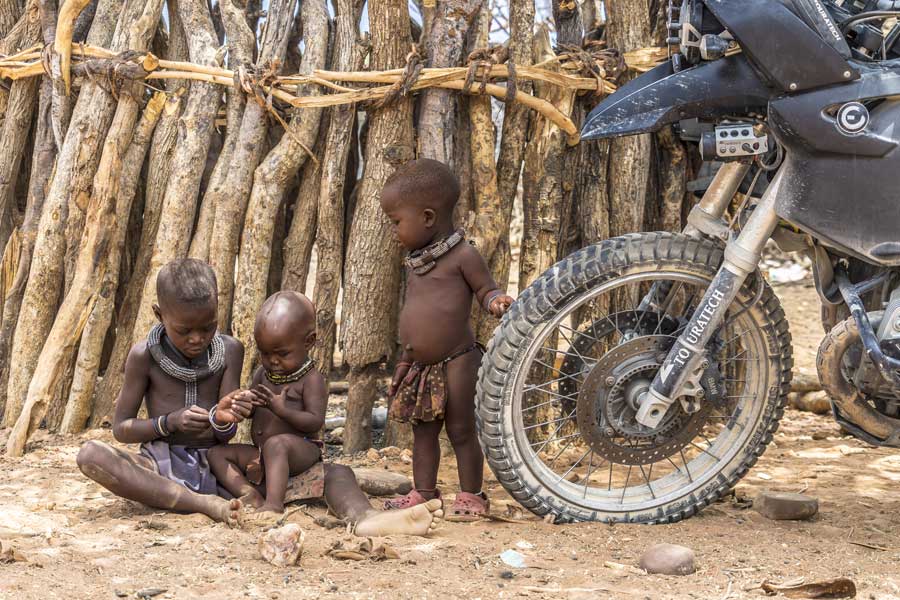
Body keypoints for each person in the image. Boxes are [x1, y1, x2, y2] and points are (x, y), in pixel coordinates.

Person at [209, 291, 444, 536]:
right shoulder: (262, 374)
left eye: (282, 353)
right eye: (265, 353)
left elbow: (314, 421)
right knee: (216, 454)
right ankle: (252, 496)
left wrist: (281, 409)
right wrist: (246, 405)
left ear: (309, 341)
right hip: (264, 458)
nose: (273, 361)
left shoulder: (311, 380)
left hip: (301, 451)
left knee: (289, 451)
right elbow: (256, 410)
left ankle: (280, 508)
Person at [380, 158, 514, 521]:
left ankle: (471, 494)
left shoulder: (463, 256)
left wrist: (495, 301)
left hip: (457, 359)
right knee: (423, 431)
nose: (393, 230)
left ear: (427, 218)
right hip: (419, 366)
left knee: (461, 429)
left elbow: (485, 289)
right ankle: (423, 493)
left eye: (396, 222)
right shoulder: (417, 260)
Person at [75, 259, 249, 525]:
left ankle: (189, 499)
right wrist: (169, 422)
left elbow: (226, 435)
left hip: (216, 465)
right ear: (159, 315)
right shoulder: (144, 356)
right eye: (184, 330)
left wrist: (223, 419)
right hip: (158, 464)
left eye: (207, 327)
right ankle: (203, 504)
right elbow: (122, 429)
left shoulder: (230, 351)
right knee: (91, 455)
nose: (197, 338)